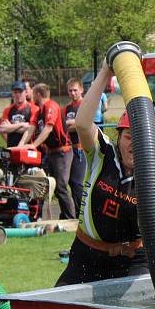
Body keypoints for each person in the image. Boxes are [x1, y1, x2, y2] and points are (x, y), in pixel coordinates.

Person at [56, 63, 155, 286]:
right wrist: (104, 73)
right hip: (87, 255)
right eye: (129, 137)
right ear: (118, 137)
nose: (135, 145)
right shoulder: (102, 155)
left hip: (135, 259)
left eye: (141, 139)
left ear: (153, 145)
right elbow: (82, 124)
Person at [27, 83, 76, 220]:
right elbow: (31, 128)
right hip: (51, 153)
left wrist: (34, 145)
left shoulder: (51, 106)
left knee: (61, 186)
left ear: (37, 94)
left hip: (62, 152)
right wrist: (22, 146)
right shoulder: (39, 111)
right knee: (42, 184)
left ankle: (70, 218)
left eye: (32, 93)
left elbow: (48, 128)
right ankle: (37, 217)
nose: (30, 96)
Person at [63, 78, 87, 217]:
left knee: (78, 182)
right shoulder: (66, 108)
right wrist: (71, 123)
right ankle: (77, 212)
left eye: (75, 90)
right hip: (69, 149)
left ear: (81, 90)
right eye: (70, 90)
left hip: (81, 148)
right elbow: (64, 125)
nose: (72, 93)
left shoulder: (85, 104)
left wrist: (72, 123)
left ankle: (82, 213)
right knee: (71, 182)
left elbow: (81, 124)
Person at [0, 80, 38, 148]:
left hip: (27, 149)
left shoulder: (34, 108)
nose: (18, 95)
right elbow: (2, 128)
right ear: (12, 93)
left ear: (25, 93)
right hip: (12, 148)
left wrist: (11, 127)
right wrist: (22, 125)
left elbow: (31, 129)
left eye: (20, 92)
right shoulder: (7, 110)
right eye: (15, 92)